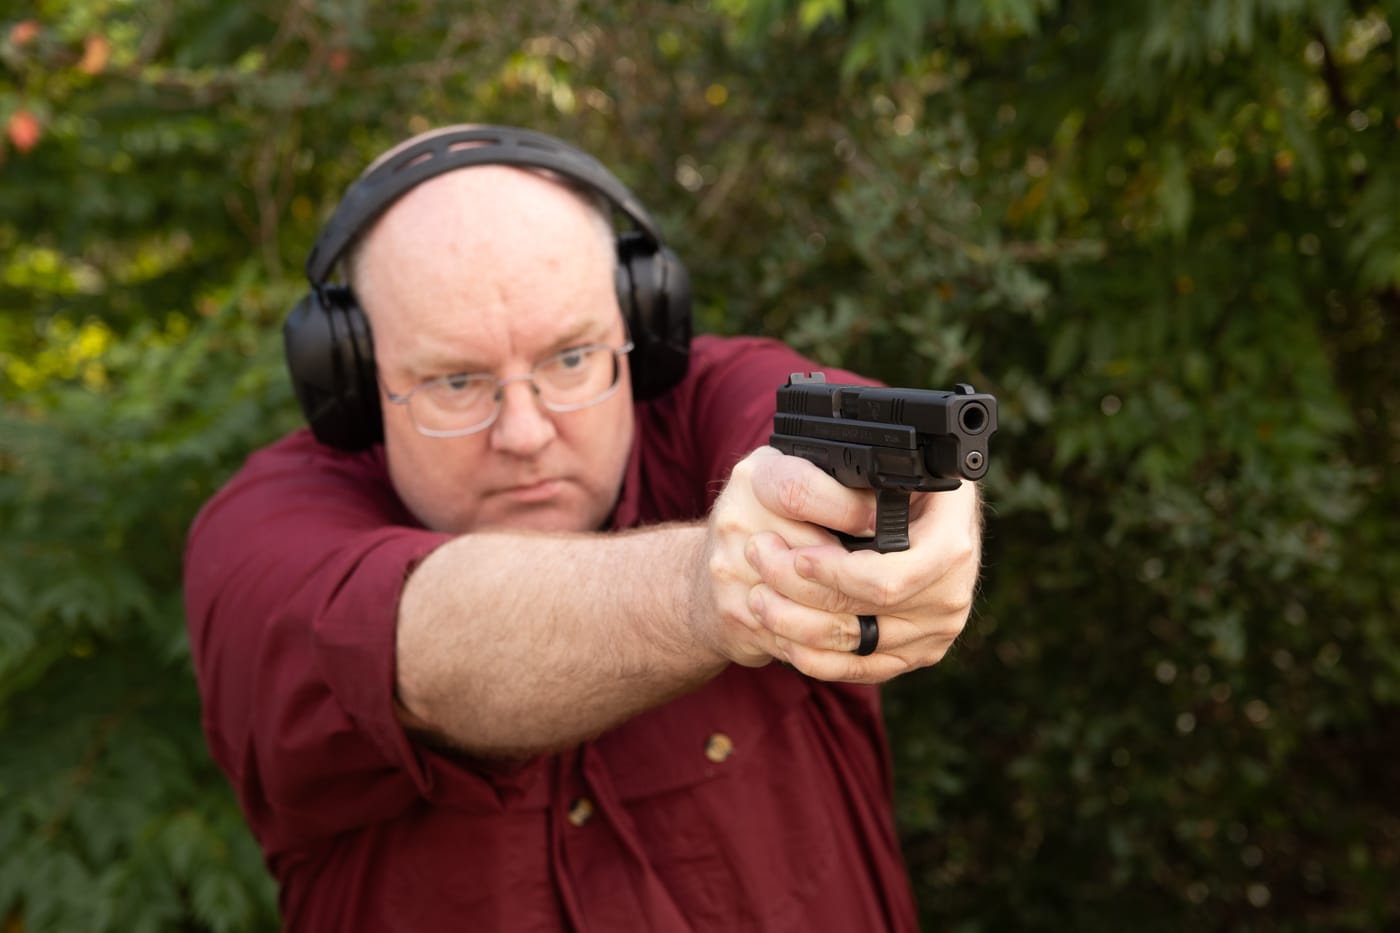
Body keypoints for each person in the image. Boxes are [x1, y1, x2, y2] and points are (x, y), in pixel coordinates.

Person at [184, 125, 982, 932]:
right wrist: (712, 586)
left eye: (571, 359)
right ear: (353, 381)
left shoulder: (701, 398)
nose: (524, 432)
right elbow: (421, 646)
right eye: (456, 380)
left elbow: (824, 428)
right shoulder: (254, 536)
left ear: (640, 324)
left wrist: (918, 500)